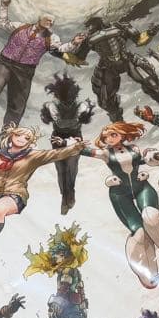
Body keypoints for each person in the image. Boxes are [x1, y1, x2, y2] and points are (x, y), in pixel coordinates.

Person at [0, 125, 85, 270]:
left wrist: (76, 147)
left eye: (26, 138)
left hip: (14, 194)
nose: (22, 139)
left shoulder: (33, 156)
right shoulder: (0, 155)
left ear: (30, 141)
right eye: (18, 135)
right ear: (11, 136)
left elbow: (55, 154)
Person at [81, 121, 159, 287]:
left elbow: (144, 160)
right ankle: (147, 269)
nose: (109, 139)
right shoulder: (105, 153)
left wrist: (153, 158)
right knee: (139, 233)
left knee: (152, 217)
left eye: (113, 135)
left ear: (122, 134)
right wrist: (71, 145)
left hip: (141, 187)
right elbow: (87, 151)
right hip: (120, 193)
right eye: (106, 137)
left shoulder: (133, 149)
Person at [0, 0, 86, 135]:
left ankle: (8, 132)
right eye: (48, 20)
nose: (50, 22)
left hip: (25, 71)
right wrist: (4, 6)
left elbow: (61, 49)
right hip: (4, 62)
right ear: (40, 19)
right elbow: (1, 23)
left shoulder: (52, 38)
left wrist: (74, 43)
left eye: (52, 21)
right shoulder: (21, 27)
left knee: (18, 103)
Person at [24, 224, 98, 318]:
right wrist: (82, 304)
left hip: (66, 305)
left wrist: (56, 304)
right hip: (76, 306)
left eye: (57, 256)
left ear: (63, 255)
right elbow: (80, 289)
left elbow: (64, 287)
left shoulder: (67, 270)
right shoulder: (74, 270)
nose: (55, 258)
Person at [40, 72, 95, 214]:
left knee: (71, 166)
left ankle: (69, 195)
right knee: (61, 168)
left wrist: (83, 112)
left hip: (74, 138)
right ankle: (65, 196)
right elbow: (60, 122)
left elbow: (65, 122)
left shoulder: (80, 105)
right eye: (64, 98)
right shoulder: (53, 105)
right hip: (58, 138)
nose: (67, 102)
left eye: (70, 98)